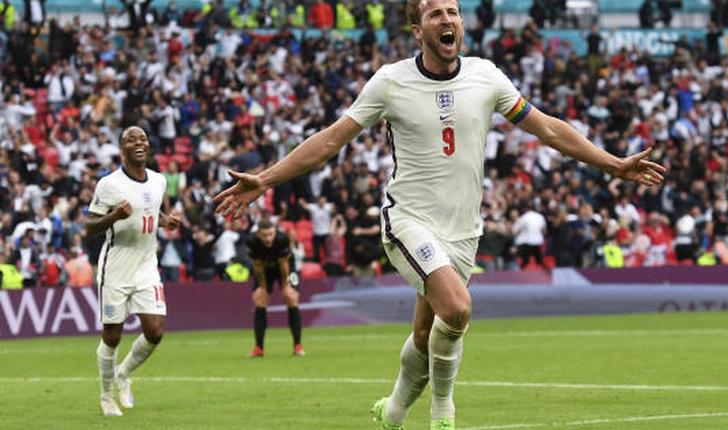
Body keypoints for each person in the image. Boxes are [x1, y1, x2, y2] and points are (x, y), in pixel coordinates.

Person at [213, 0, 666, 427]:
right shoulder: (390, 82)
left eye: (454, 11)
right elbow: (331, 139)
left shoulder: (486, 76)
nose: (448, 18)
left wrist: (612, 163)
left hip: (463, 230)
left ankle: (391, 413)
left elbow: (546, 127)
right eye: (435, 13)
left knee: (427, 334)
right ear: (418, 30)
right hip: (408, 220)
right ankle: (443, 411)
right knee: (458, 307)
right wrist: (267, 179)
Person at [86, 126, 180, 417]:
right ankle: (106, 396)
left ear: (148, 147)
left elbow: (147, 211)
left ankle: (123, 374)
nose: (138, 143)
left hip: (146, 264)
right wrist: (114, 215)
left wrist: (165, 221)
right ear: (122, 148)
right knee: (112, 336)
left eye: (143, 139)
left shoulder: (159, 180)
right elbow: (89, 227)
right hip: (116, 266)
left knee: (155, 331)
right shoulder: (108, 185)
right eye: (131, 139)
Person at [246, 218, 305, 358]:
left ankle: (297, 346)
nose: (268, 238)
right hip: (265, 270)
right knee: (260, 300)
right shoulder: (251, 242)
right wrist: (263, 287)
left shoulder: (282, 239)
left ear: (274, 232)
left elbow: (284, 266)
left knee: (291, 298)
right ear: (258, 234)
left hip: (288, 269)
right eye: (264, 235)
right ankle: (259, 348)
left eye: (270, 234)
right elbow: (258, 267)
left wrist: (285, 287)